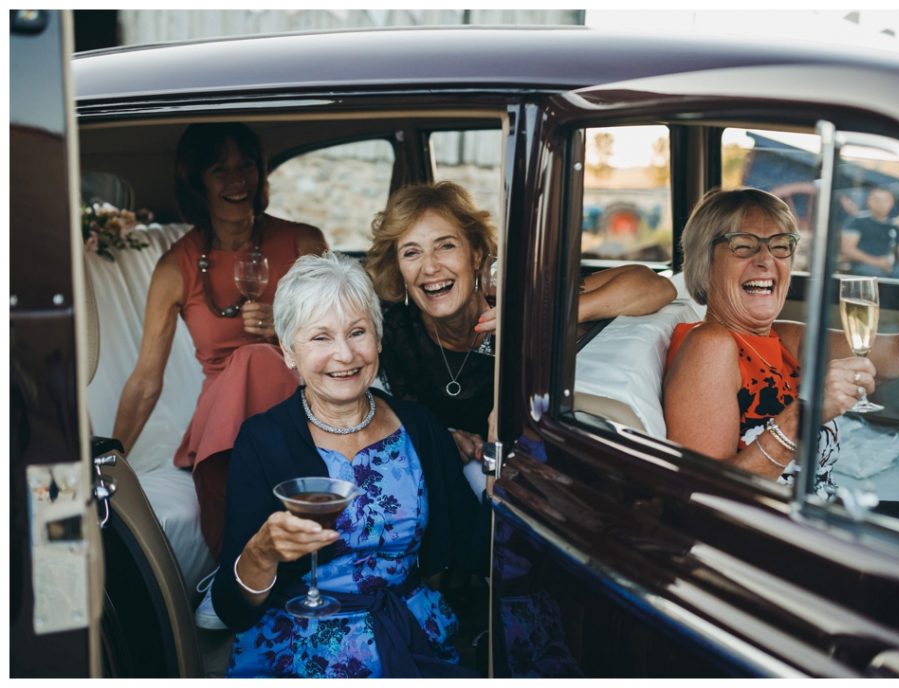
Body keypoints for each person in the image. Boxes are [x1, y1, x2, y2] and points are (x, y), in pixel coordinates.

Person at [211, 253, 488, 678]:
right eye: (320, 338)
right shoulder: (262, 441)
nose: (345, 354)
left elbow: (477, 544)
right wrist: (261, 552)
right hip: (299, 647)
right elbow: (232, 607)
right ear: (288, 352)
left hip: (413, 635)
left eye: (358, 332)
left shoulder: (420, 427)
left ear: (378, 339)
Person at [662, 188, 899, 498]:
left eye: (780, 245)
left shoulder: (784, 338)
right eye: (744, 245)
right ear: (706, 263)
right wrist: (805, 413)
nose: (766, 260)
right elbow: (704, 497)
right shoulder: (711, 344)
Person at [111, 122, 327, 561]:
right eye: (218, 169)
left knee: (260, 356)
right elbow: (146, 379)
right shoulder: (177, 266)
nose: (237, 179)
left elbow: (341, 335)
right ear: (197, 184)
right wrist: (107, 464)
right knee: (250, 358)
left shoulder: (304, 242)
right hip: (221, 421)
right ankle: (240, 559)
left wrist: (283, 328)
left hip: (302, 400)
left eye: (246, 165)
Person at [365, 181, 677, 464]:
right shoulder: (390, 329)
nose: (430, 267)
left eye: (445, 246)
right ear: (398, 268)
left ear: (476, 254)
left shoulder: (522, 301)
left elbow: (655, 286)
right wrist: (439, 436)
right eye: (411, 253)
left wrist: (544, 317)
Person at [840, 184, 899, 278]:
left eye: (885, 200)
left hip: (889, 269)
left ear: (892, 203)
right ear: (869, 201)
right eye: (877, 199)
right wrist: (876, 262)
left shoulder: (895, 227)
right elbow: (847, 249)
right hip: (861, 269)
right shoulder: (857, 221)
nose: (881, 203)